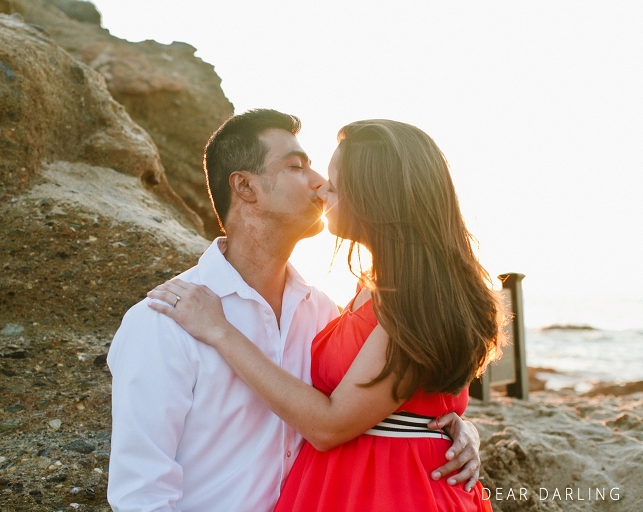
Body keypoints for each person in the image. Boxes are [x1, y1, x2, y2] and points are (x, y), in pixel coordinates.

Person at [107, 110, 484, 512]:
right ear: (246, 187)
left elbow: (360, 408)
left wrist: (449, 428)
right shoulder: (165, 321)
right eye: (296, 166)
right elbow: (141, 492)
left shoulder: (322, 314)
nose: (321, 182)